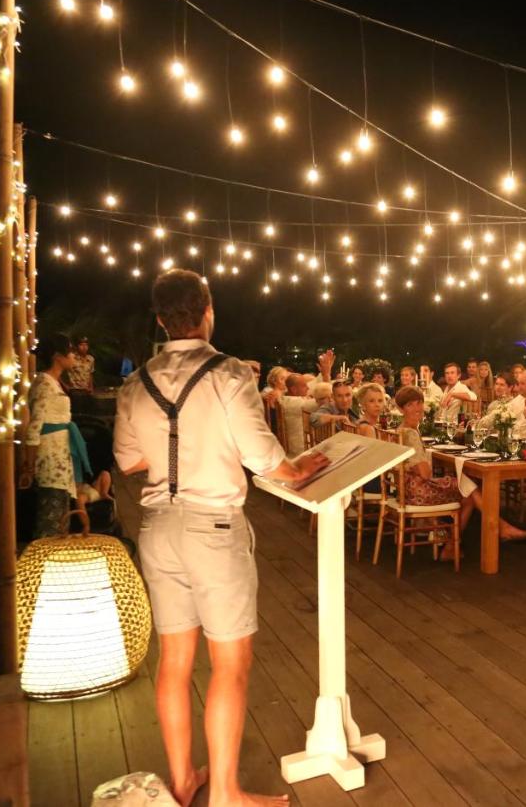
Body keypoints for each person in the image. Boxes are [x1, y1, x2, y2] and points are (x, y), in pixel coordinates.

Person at [113, 269, 328, 807]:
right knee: (230, 663)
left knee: (174, 660)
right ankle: (227, 793)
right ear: (208, 311)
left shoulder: (136, 383)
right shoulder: (229, 373)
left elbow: (128, 460)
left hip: (158, 528)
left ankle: (183, 778)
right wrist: (298, 470)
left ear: (161, 319)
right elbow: (262, 456)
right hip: (212, 527)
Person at [394, 386, 524, 560]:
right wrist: (427, 466)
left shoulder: (402, 429)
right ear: (401, 409)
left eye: (419, 403)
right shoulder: (409, 434)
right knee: (468, 490)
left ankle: (457, 541)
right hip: (417, 491)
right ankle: (491, 530)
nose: (417, 408)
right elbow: (425, 474)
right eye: (410, 405)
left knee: (465, 485)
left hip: (406, 489)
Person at [22, 333, 83, 538]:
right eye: (70, 351)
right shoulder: (44, 383)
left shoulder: (54, 382)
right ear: (57, 356)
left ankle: (54, 552)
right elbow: (35, 427)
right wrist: (30, 467)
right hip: (50, 458)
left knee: (61, 516)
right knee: (51, 516)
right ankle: (43, 554)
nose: (74, 355)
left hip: (60, 456)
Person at [278, 373, 320, 453]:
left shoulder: (287, 399)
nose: (308, 388)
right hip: (300, 449)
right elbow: (319, 404)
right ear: (294, 389)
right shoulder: (294, 402)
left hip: (299, 446)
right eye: (304, 386)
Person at [63, 335, 96, 406]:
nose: (84, 347)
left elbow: (90, 373)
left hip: (86, 391)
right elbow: (61, 372)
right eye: (81, 345)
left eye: (86, 345)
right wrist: (65, 386)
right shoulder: (71, 358)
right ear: (76, 346)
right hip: (75, 391)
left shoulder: (90, 359)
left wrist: (91, 388)